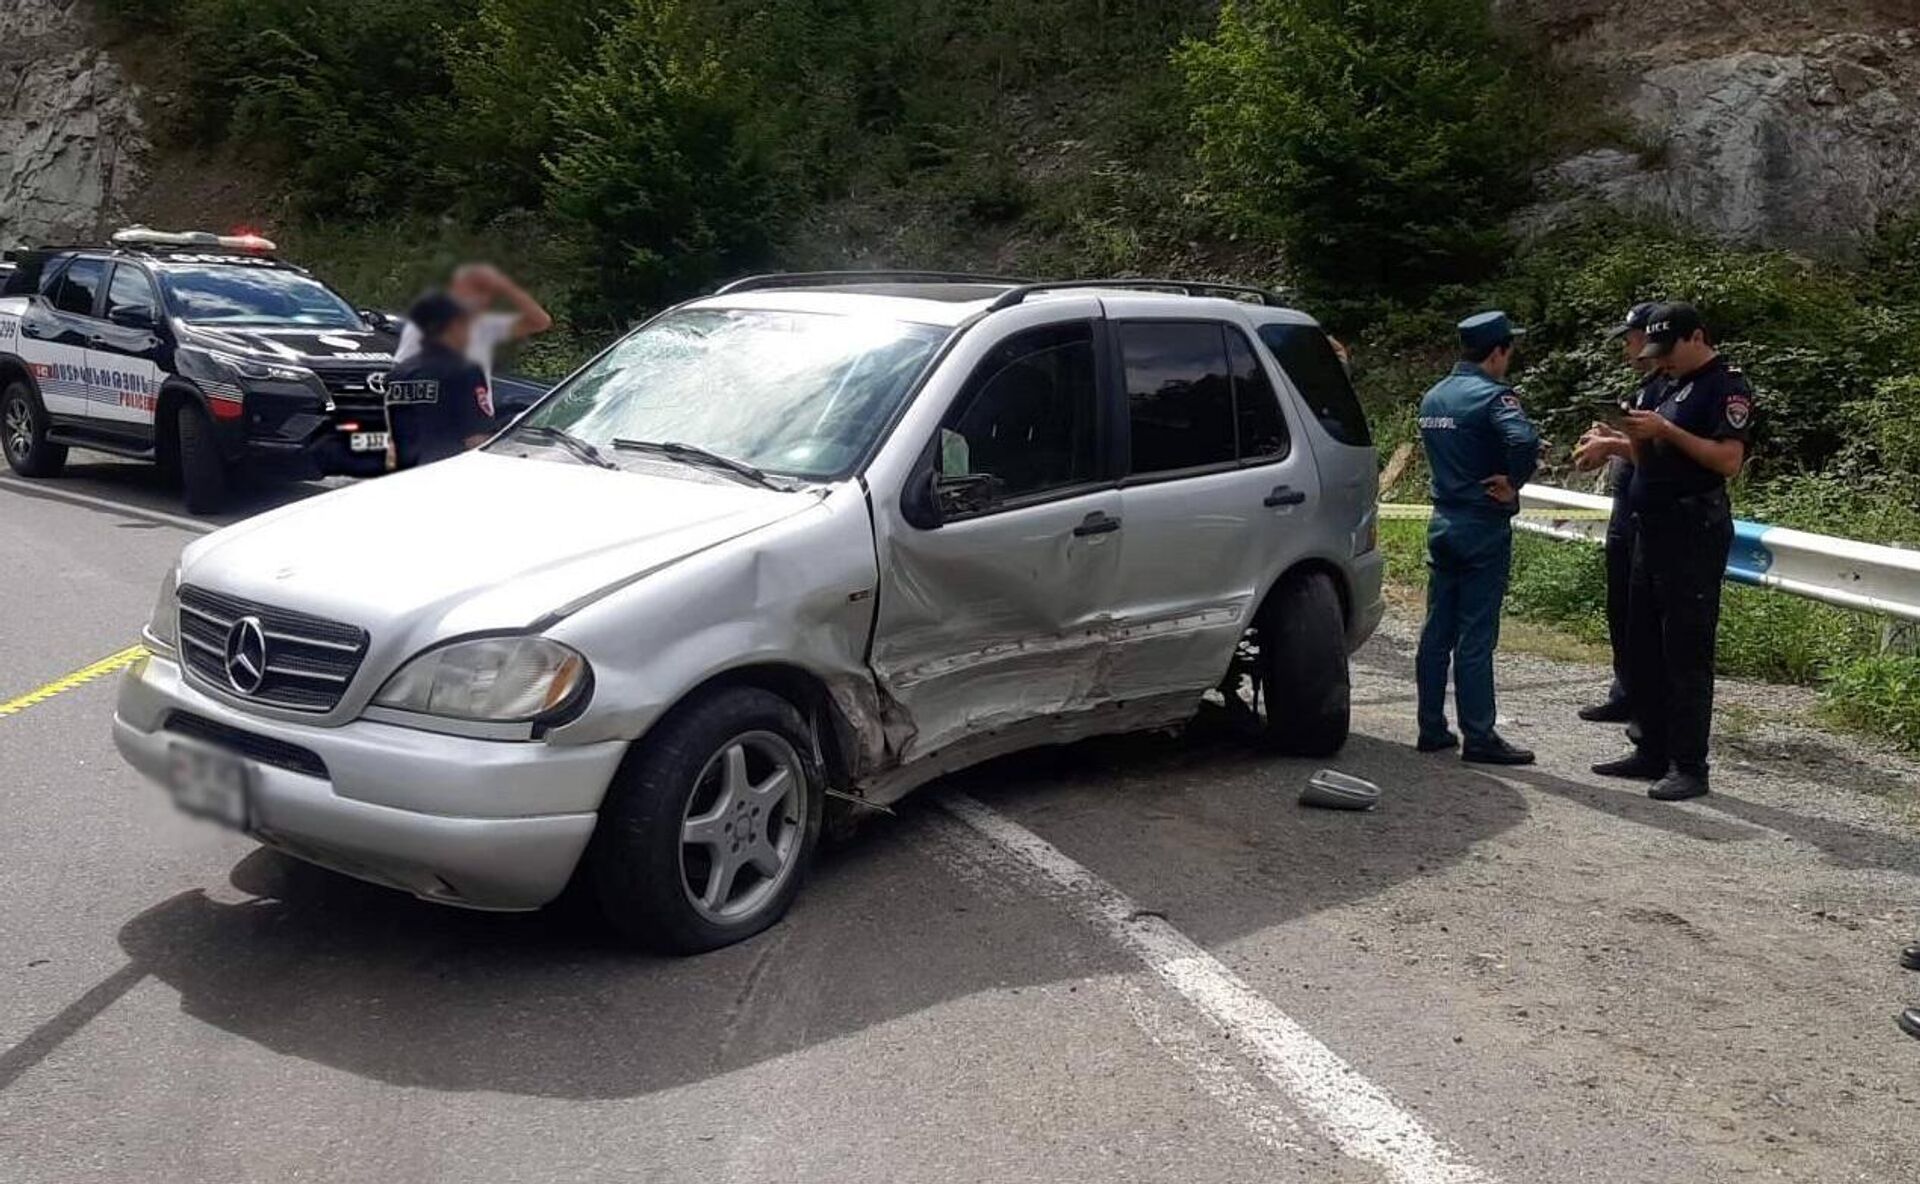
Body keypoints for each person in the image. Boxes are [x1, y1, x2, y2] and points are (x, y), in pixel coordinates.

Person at [1589, 302, 1753, 801]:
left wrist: (1668, 431)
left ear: (1697, 337)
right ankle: (1650, 748)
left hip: (1693, 526)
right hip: (1650, 525)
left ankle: (1689, 764)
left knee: (1685, 651)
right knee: (1643, 644)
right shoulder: (1660, 384)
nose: (1661, 361)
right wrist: (1619, 441)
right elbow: (1650, 456)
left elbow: (1728, 461)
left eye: (1669, 351)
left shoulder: (1726, 387)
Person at [1414, 311, 1543, 766]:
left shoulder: (1434, 397)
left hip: (1442, 520)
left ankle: (1431, 727)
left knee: (1436, 631)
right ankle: (1480, 736)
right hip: (1482, 524)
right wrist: (1514, 481)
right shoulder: (1494, 397)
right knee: (1475, 635)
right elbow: (1524, 440)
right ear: (1498, 351)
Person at [1572, 302, 1669, 724]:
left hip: (1652, 513)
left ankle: (1647, 707)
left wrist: (1612, 446)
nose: (1627, 350)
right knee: (1620, 608)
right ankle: (1625, 690)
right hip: (1625, 507)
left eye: (1630, 340)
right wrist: (1611, 435)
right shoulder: (1648, 384)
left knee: (1645, 617)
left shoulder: (1672, 386)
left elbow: (1668, 451)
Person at [385, 291, 497, 471]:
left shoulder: (398, 374)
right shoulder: (464, 370)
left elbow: (393, 436)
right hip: (448, 472)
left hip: (405, 474)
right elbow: (476, 438)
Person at [392, 263, 552, 382]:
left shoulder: (486, 325)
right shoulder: (425, 325)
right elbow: (400, 371)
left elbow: (540, 322)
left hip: (475, 416)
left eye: (487, 292)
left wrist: (507, 287)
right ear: (456, 289)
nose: (481, 298)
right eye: (476, 289)